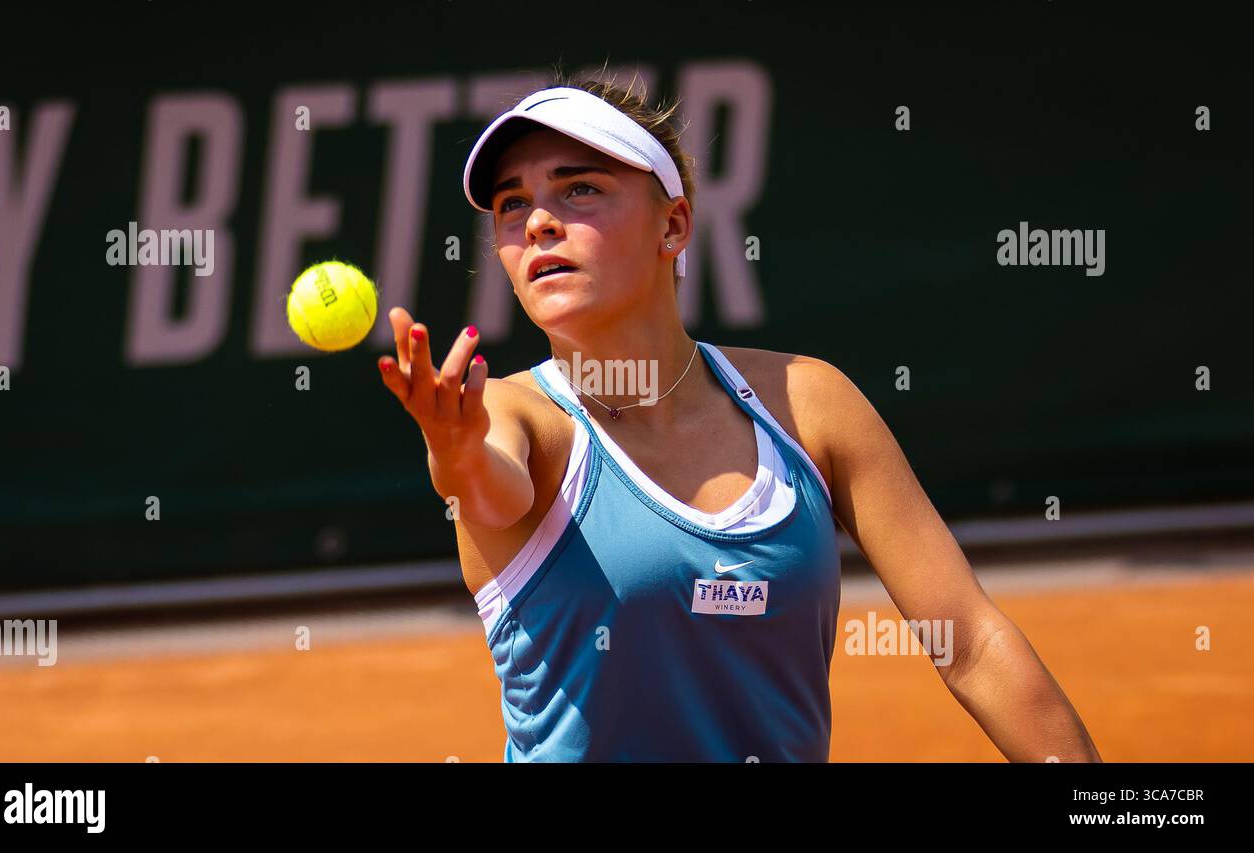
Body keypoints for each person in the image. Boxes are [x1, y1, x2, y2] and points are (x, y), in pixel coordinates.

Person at [376, 69, 1101, 762]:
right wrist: (457, 448)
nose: (537, 222)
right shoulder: (507, 413)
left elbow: (967, 639)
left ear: (674, 225)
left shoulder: (808, 402)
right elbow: (488, 485)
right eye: (511, 204)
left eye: (580, 190)